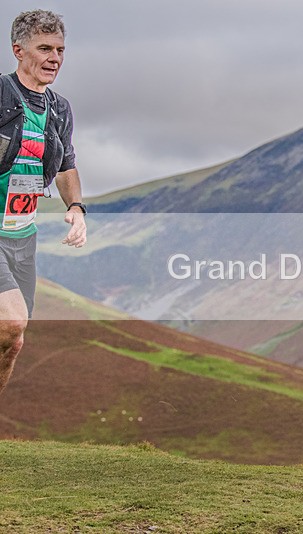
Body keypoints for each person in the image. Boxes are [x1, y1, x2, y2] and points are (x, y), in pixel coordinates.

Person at [0, 10, 87, 396]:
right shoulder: (1, 95)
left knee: (12, 341)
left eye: (60, 50)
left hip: (23, 237)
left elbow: (67, 164)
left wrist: (76, 207)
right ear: (19, 50)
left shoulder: (60, 109)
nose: (55, 58)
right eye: (44, 48)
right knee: (11, 321)